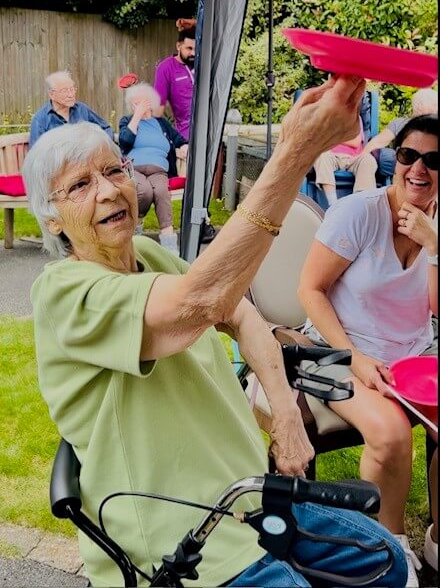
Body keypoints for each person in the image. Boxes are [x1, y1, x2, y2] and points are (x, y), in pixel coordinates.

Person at [23, 75, 407, 588]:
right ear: (52, 218)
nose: (110, 190)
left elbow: (237, 311)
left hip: (244, 497)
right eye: (80, 185)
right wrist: (293, 155)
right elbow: (199, 301)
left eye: (114, 170)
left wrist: (288, 416)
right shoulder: (65, 293)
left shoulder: (151, 256)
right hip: (178, 533)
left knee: (385, 559)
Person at [298, 114, 438, 587]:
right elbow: (310, 290)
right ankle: (388, 547)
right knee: (393, 435)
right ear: (392, 159)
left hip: (414, 356)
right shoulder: (358, 213)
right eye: (408, 155)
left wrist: (433, 246)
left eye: (434, 160)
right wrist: (352, 356)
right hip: (337, 350)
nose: (419, 168)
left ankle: (438, 539)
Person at [154, 21, 216, 243]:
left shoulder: (202, 65)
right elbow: (157, 112)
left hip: (211, 131)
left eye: (196, 49)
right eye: (189, 49)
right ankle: (201, 225)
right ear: (178, 45)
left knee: (206, 179)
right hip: (186, 136)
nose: (193, 53)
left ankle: (203, 222)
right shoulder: (166, 69)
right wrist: (173, 144)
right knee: (191, 180)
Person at [118, 82, 188, 254]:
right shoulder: (127, 121)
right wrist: (137, 116)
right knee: (144, 191)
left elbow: (180, 140)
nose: (138, 106)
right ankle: (137, 227)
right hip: (135, 169)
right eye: (134, 103)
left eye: (141, 102)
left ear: (150, 102)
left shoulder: (161, 124)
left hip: (159, 170)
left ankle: (169, 246)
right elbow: (124, 141)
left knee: (162, 193)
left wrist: (185, 146)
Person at [363, 88, 438, 177]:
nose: (436, 108)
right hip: (406, 166)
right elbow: (377, 142)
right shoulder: (400, 123)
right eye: (434, 105)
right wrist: (361, 157)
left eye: (435, 105)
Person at [29, 70, 113, 147]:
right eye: (65, 91)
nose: (71, 94)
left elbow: (106, 128)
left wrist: (104, 146)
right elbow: (36, 153)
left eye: (72, 89)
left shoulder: (82, 109)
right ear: (52, 94)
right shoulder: (40, 119)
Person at [313, 115, 378, 206]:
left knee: (368, 160)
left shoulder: (355, 118)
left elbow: (355, 142)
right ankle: (333, 204)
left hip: (354, 158)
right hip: (332, 155)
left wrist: (333, 137)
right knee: (320, 156)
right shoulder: (326, 116)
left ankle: (361, 205)